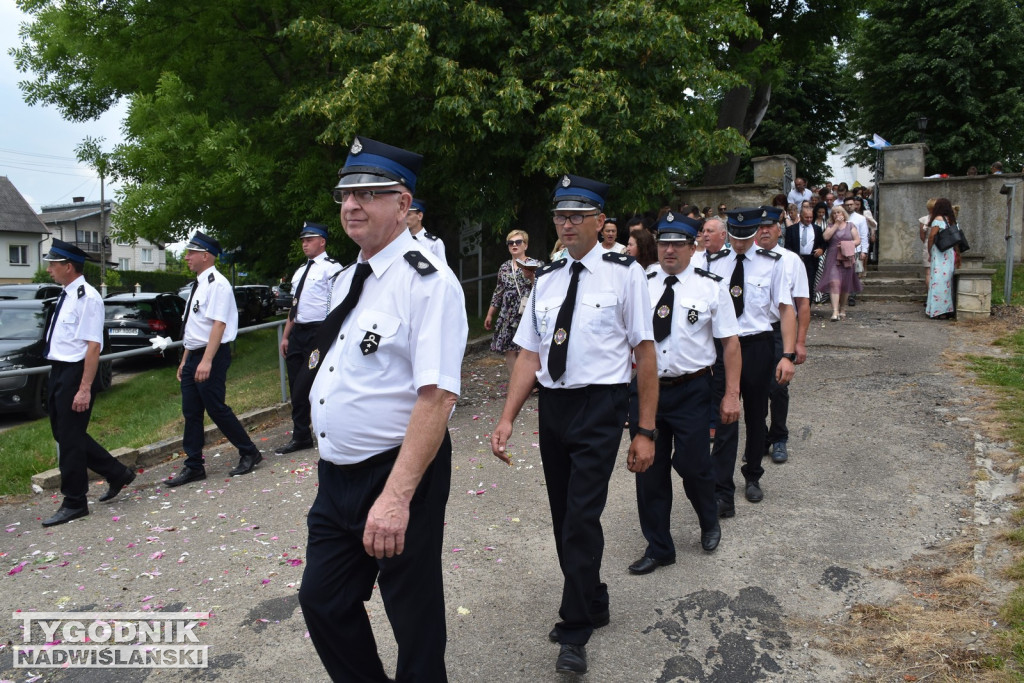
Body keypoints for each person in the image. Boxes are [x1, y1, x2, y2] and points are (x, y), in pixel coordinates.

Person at [297, 136, 467, 682]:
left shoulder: (429, 284)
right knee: (322, 601)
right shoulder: (351, 278)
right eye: (346, 194)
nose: (352, 205)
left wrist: (396, 497)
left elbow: (437, 396)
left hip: (397, 472)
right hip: (337, 477)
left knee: (411, 615)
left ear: (403, 204)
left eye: (370, 193)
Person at [490, 174, 657, 676]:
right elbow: (529, 354)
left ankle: (574, 628)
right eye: (560, 215)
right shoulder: (547, 279)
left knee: (582, 516)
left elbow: (644, 355)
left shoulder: (625, 275)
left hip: (602, 407)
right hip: (555, 409)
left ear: (599, 221)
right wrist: (506, 418)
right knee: (566, 517)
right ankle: (595, 595)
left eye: (577, 216)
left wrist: (644, 429)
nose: (566, 224)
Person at [627, 212, 740, 574]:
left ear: (694, 248)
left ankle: (709, 519)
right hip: (647, 392)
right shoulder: (640, 282)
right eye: (663, 242)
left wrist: (731, 394)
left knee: (693, 466)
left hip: (692, 388)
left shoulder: (710, 285)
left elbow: (730, 344)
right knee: (648, 471)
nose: (669, 249)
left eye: (678, 243)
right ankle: (660, 546)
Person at [705, 208, 796, 515]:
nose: (739, 243)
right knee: (725, 416)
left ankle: (753, 474)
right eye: (734, 236)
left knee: (757, 415)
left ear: (757, 232)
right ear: (728, 233)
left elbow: (786, 309)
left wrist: (788, 354)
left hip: (758, 344)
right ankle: (722, 490)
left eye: (745, 237)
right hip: (724, 347)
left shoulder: (774, 264)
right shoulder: (715, 263)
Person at [39, 240, 136, 527]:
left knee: (70, 438)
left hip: (75, 372)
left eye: (53, 264)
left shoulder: (88, 297)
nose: (49, 269)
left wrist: (84, 388)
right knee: (65, 433)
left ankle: (75, 501)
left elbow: (94, 347)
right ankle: (117, 472)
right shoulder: (67, 295)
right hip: (59, 369)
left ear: (68, 266)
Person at [165, 231, 264, 487]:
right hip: (195, 353)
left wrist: (206, 361)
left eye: (191, 253)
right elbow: (194, 327)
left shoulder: (217, 284)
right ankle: (194, 465)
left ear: (205, 256)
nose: (186, 257)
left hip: (212, 353)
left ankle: (249, 451)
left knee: (216, 408)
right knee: (191, 412)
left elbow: (219, 325)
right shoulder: (199, 284)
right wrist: (186, 358)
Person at [275, 221, 342, 455]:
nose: (305, 244)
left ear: (322, 241)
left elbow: (337, 304)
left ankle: (331, 431)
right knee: (296, 384)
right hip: (298, 332)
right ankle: (301, 434)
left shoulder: (332, 269)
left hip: (318, 332)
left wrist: (329, 334)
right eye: (303, 240)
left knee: (318, 381)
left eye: (309, 240)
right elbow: (294, 307)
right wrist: (285, 336)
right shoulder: (300, 272)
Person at [759, 207, 810, 465]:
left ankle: (779, 436)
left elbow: (802, 304)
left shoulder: (791, 260)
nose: (764, 231)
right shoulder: (745, 260)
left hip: (780, 330)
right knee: (752, 388)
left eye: (769, 227)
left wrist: (799, 343)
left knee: (778, 386)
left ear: (779, 230)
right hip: (752, 331)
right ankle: (759, 438)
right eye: (760, 227)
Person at [485, 229, 536, 376]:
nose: (514, 245)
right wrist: (490, 314)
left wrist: (532, 277)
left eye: (518, 242)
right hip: (508, 313)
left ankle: (528, 381)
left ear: (525, 245)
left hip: (526, 312)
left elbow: (542, 287)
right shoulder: (504, 267)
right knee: (510, 349)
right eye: (511, 243)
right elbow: (498, 292)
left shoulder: (534, 264)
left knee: (526, 349)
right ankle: (515, 381)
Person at [816, 206, 862, 321]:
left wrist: (847, 244)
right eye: (834, 213)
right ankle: (835, 311)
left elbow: (857, 240)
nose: (837, 214)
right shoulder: (831, 226)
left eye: (839, 212)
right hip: (833, 257)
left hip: (847, 257)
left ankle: (842, 308)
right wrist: (836, 224)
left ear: (843, 214)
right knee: (834, 282)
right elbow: (826, 237)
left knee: (845, 284)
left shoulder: (850, 225)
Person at [925, 197, 958, 319]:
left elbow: (932, 236)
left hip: (939, 252)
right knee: (947, 280)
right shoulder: (952, 220)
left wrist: (929, 251)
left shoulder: (938, 219)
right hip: (949, 252)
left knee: (937, 280)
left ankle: (937, 310)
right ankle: (947, 308)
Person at [785, 205, 826, 295]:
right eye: (806, 217)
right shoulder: (792, 229)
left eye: (811, 217)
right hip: (796, 259)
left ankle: (807, 307)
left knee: (809, 285)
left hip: (811, 260)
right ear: (801, 216)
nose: (809, 219)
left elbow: (823, 243)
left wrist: (821, 250)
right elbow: (787, 246)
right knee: (795, 284)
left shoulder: (817, 229)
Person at [406, 197, 447, 261]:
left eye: (408, 214)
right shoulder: (403, 242)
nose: (404, 219)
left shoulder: (434, 243)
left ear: (420, 216)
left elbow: (443, 270)